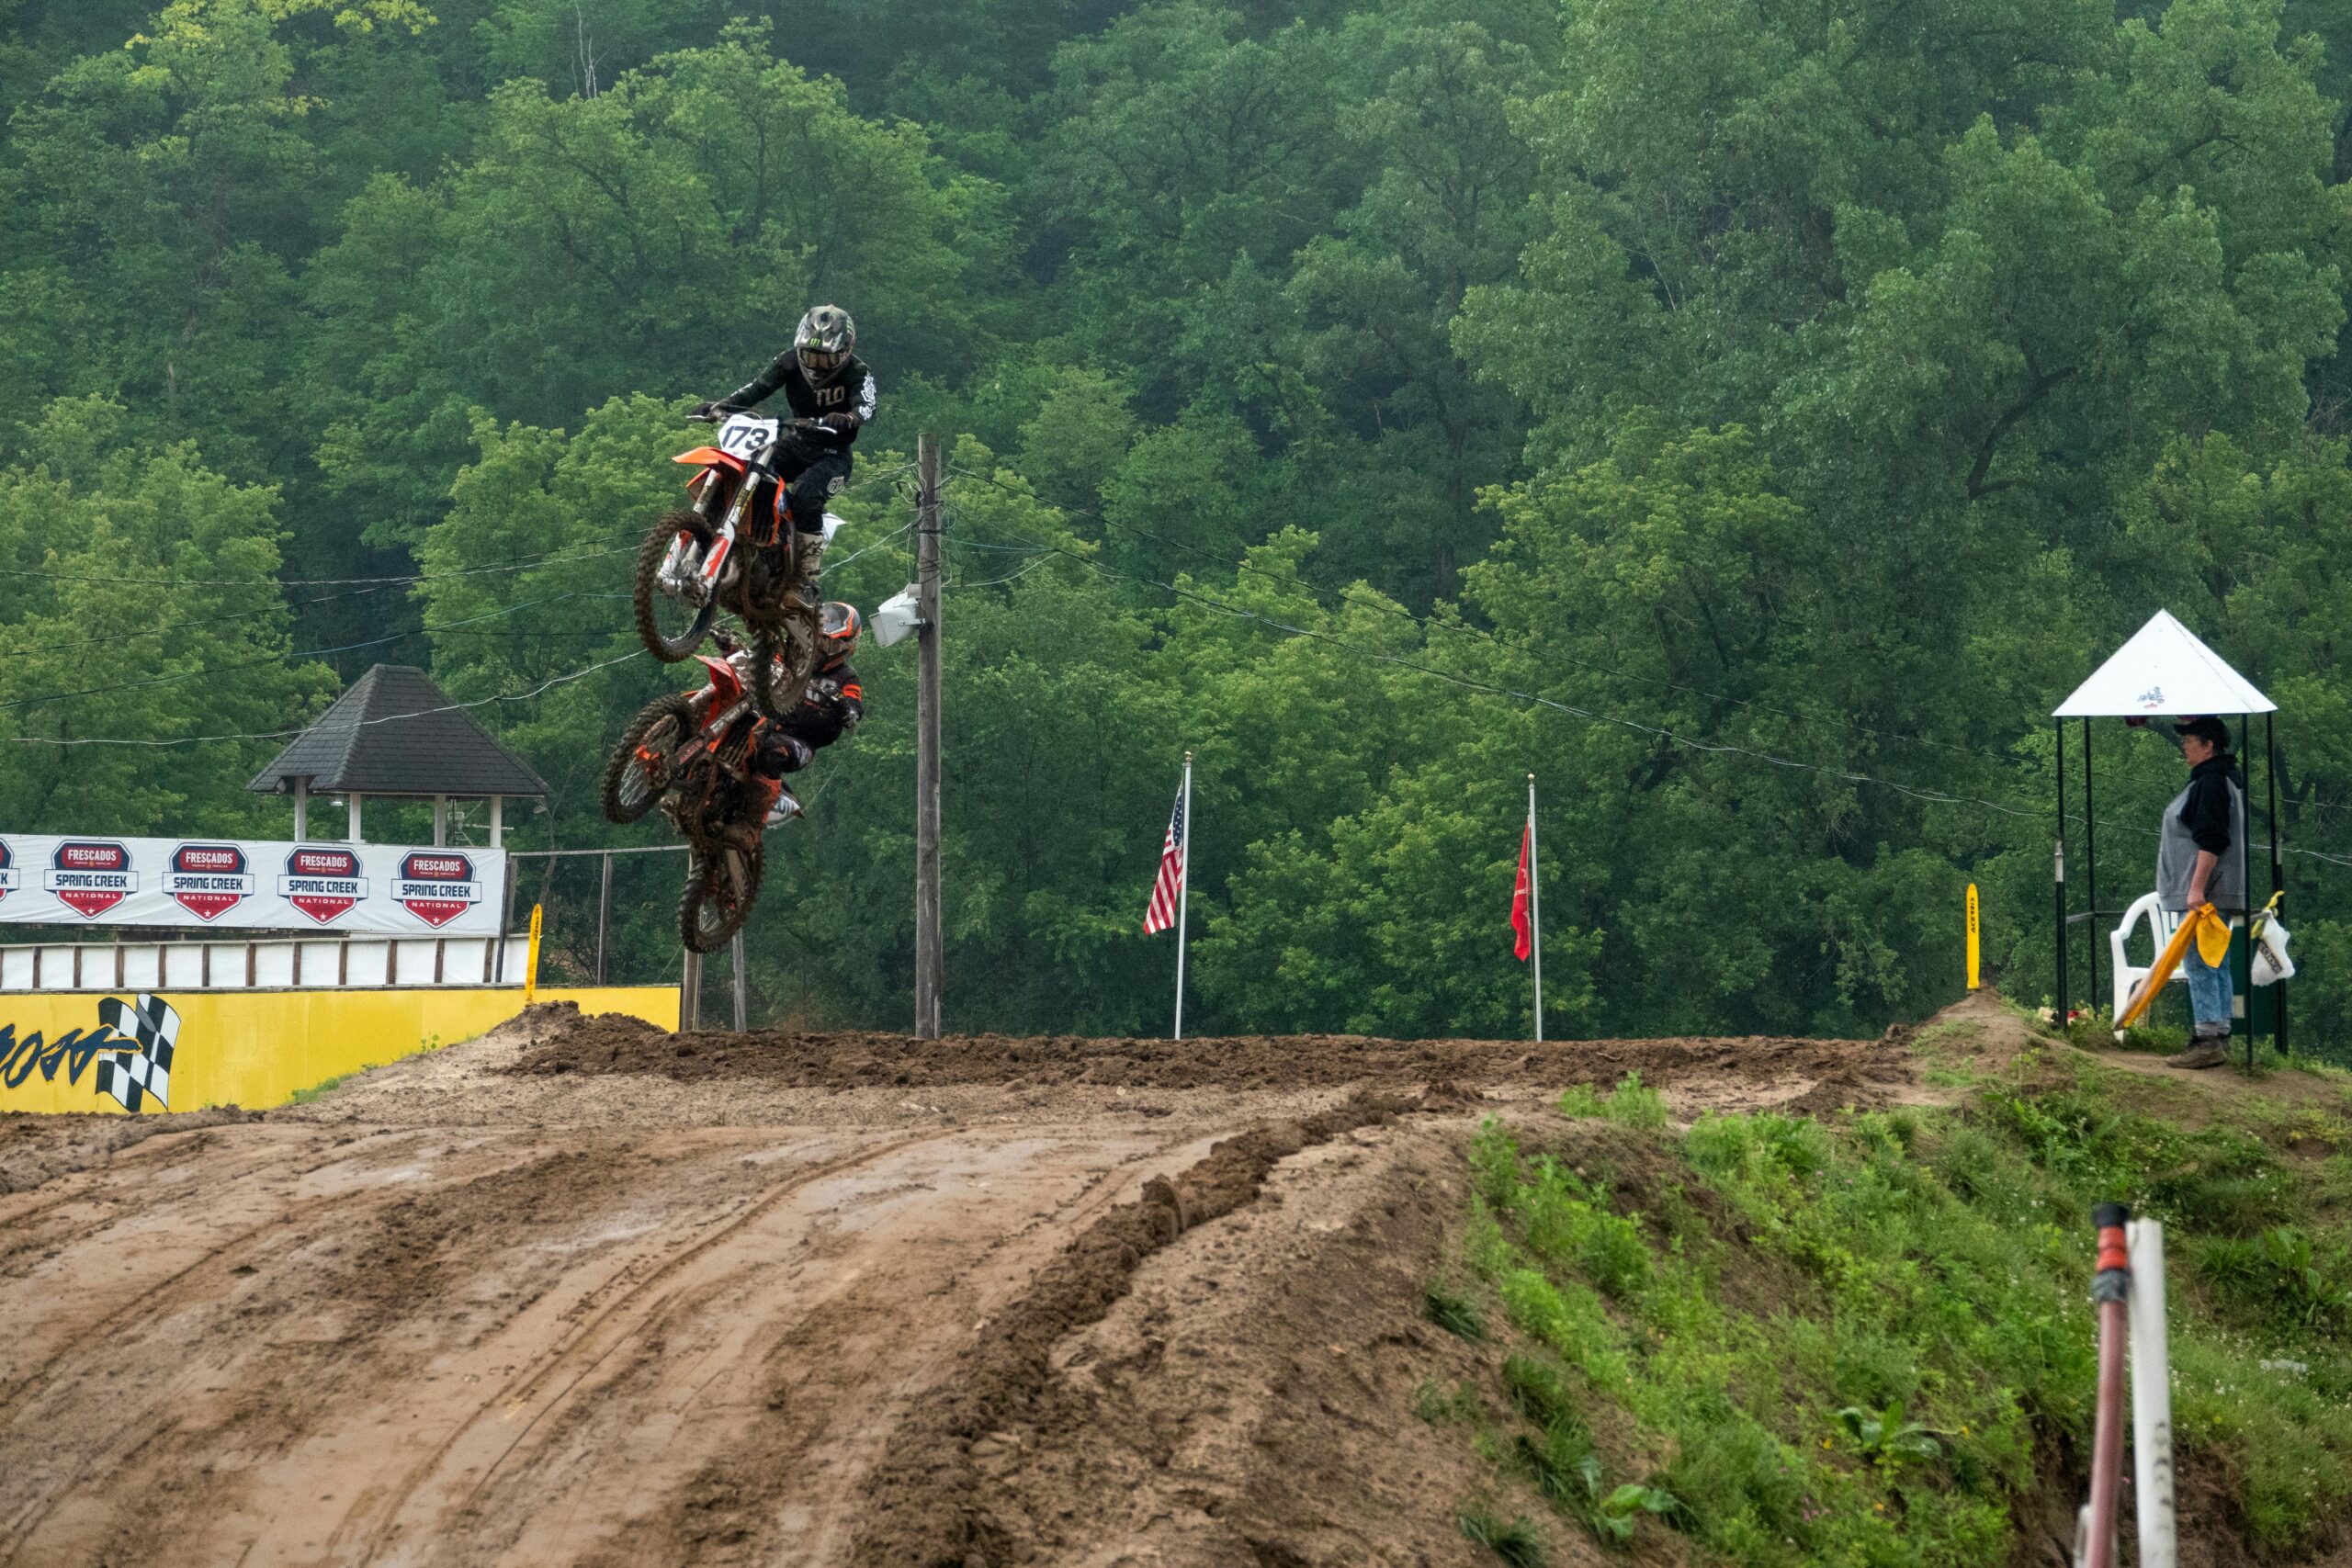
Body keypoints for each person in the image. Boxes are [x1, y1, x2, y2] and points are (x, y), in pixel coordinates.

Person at [696, 305, 876, 612]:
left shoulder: (858, 372)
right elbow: (757, 388)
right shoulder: (790, 361)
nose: (816, 364)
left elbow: (867, 407)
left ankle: (806, 581)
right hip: (796, 442)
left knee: (806, 494)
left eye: (825, 358)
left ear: (844, 352)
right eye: (811, 355)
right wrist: (724, 405)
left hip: (833, 455)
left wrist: (848, 417)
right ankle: (745, 542)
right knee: (751, 468)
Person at [734, 603, 865, 845]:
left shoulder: (847, 677)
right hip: (768, 722)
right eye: (821, 640)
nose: (824, 648)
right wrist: (734, 651)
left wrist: (847, 711)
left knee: (772, 749)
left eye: (832, 643)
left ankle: (751, 825)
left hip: (802, 743)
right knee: (735, 718)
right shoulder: (793, 657)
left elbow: (855, 706)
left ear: (847, 647)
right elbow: (761, 664)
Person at [2156, 715, 2245, 1068]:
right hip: (2215, 891)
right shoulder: (2220, 779)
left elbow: (2211, 840)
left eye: (2190, 740)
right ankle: (2219, 1034)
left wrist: (2196, 890)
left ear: (2208, 745)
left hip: (2205, 893)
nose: (2184, 746)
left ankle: (2207, 1039)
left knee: (2200, 962)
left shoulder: (2211, 782)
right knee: (2214, 960)